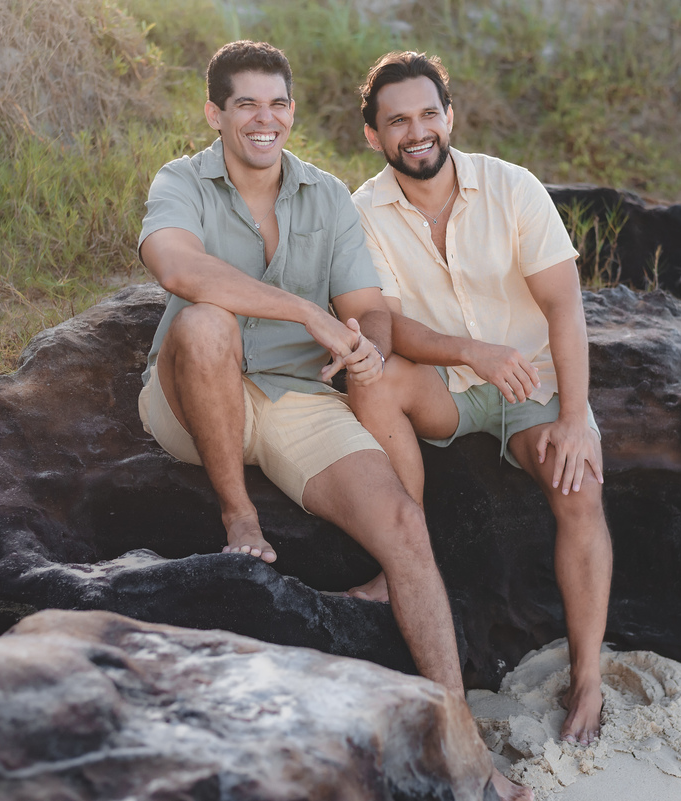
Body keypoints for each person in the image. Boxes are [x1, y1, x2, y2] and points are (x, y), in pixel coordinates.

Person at [136, 41, 532, 800]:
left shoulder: (323, 196)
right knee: (205, 324)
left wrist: (366, 354)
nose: (264, 118)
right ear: (214, 113)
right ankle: (239, 512)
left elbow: (369, 312)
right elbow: (177, 270)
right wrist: (303, 312)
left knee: (405, 525)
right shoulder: (180, 180)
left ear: (292, 110)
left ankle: (466, 750)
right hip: (193, 397)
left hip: (296, 398)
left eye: (277, 102)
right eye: (245, 103)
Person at [348, 51, 613, 746]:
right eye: (397, 120)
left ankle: (587, 674)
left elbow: (564, 307)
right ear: (373, 135)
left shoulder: (512, 186)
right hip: (446, 390)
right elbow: (386, 322)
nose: (418, 131)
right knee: (370, 376)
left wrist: (575, 417)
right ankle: (399, 559)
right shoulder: (364, 211)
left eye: (429, 114)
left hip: (532, 388)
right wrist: (471, 351)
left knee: (579, 485)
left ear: (450, 117)